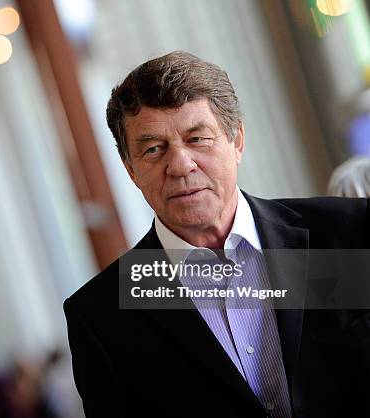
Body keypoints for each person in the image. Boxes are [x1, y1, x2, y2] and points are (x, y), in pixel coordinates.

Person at [63, 51, 370, 418]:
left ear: (237, 140)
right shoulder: (102, 317)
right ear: (131, 170)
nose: (179, 165)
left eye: (197, 138)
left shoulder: (345, 233)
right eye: (153, 149)